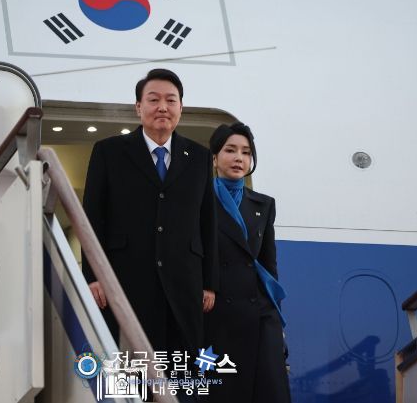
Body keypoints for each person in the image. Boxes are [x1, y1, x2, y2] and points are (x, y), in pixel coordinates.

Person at [82, 68, 218, 362]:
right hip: (125, 281)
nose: (162, 107)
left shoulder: (199, 157)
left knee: (180, 373)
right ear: (138, 107)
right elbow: (92, 218)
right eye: (154, 99)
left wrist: (209, 282)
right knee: (130, 374)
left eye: (171, 100)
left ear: (181, 107)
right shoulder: (109, 152)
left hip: (184, 285)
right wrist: (92, 277)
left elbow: (207, 223)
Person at [204, 122, 291, 403]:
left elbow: (269, 266)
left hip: (260, 313)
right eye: (230, 150)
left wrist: (278, 320)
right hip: (216, 313)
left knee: (268, 391)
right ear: (215, 157)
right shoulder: (198, 201)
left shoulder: (263, 205)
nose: (239, 158)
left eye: (246, 152)